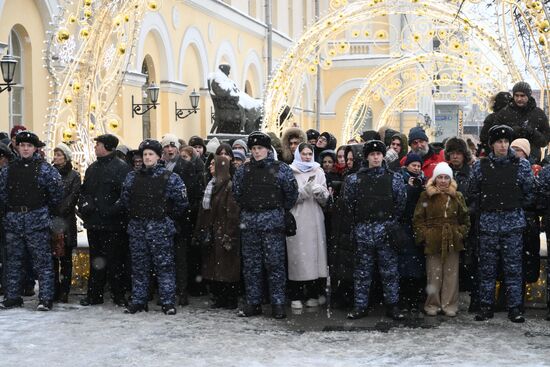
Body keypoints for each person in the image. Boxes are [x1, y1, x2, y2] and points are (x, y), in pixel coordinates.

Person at [470, 125, 534, 323]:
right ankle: (485, 306)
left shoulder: (522, 166)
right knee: (487, 269)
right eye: (499, 142)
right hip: (489, 223)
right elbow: (473, 192)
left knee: (513, 269)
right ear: (492, 144)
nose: (503, 145)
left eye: (506, 142)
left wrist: (514, 208)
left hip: (512, 224)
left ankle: (514, 308)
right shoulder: (480, 167)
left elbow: (529, 193)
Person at [233, 131, 299, 319]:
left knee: (275, 264)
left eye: (260, 148)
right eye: (253, 148)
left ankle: (278, 303)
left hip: (272, 224)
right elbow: (237, 195)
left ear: (267, 149)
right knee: (251, 266)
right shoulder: (243, 171)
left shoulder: (281, 169)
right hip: (250, 224)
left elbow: (291, 194)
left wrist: (275, 210)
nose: (256, 152)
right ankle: (253, 303)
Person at [119, 139, 188, 314]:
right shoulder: (132, 177)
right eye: (145, 155)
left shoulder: (170, 177)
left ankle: (167, 302)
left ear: (159, 156)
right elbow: (126, 200)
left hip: (160, 228)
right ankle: (139, 300)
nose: (147, 158)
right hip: (138, 228)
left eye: (151, 154)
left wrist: (166, 217)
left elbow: (181, 203)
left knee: (165, 267)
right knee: (139, 267)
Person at [343, 140, 406, 320]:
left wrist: (387, 222)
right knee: (362, 273)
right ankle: (360, 307)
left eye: (379, 154)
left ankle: (393, 306)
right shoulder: (354, 180)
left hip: (386, 231)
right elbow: (349, 204)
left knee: (390, 272)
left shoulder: (394, 178)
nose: (376, 157)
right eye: (372, 154)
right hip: (363, 231)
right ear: (367, 157)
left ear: (383, 156)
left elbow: (400, 203)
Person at [0, 131, 63, 311]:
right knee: (13, 261)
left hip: (37, 221)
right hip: (14, 222)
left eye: (29, 146)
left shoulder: (45, 169)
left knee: (42, 262)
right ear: (17, 147)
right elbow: (3, 195)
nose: (25, 149)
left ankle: (45, 298)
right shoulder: (8, 170)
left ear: (35, 148)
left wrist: (42, 212)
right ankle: (13, 296)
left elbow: (56, 195)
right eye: (22, 145)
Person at [78, 134, 131, 307]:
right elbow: (85, 190)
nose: (95, 147)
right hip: (94, 223)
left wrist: (111, 210)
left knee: (116, 262)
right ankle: (94, 294)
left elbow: (125, 196)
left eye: (98, 144)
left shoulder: (122, 168)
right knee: (96, 261)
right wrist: (85, 205)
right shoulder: (92, 168)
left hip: (114, 224)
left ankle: (118, 295)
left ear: (107, 146)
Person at [414, 162, 470, 317]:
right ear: (435, 179)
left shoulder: (457, 196)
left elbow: (465, 218)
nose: (443, 181)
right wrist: (425, 235)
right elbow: (418, 218)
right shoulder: (426, 196)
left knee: (451, 274)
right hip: (433, 238)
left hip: (453, 238)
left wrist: (459, 233)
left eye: (446, 177)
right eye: (440, 177)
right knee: (434, 273)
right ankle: (432, 303)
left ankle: (450, 304)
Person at [161, 133, 202, 306]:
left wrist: (181, 213)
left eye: (172, 146)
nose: (170, 149)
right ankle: (167, 291)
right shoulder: (159, 166)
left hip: (180, 220)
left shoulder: (185, 166)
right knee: (164, 258)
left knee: (180, 258)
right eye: (166, 146)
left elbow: (191, 194)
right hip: (161, 220)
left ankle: (182, 291)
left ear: (177, 148)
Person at [287, 143, 329, 309]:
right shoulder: (291, 171)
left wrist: (320, 193)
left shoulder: (318, 171)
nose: (306, 157)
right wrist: (302, 193)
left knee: (314, 257)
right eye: (303, 153)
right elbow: (288, 198)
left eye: (309, 154)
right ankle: (296, 294)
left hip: (315, 218)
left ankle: (313, 292)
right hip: (298, 218)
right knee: (297, 258)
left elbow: (325, 199)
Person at [196, 155, 241, 309]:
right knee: (217, 267)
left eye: (214, 164)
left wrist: (229, 234)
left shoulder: (228, 186)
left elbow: (233, 213)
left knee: (227, 268)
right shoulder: (212, 185)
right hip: (214, 231)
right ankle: (220, 297)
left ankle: (229, 298)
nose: (210, 167)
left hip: (224, 232)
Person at [51, 143, 81, 303]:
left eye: (59, 155)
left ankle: (65, 290)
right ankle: (54, 288)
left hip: (66, 221)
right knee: (52, 259)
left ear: (66, 157)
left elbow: (73, 197)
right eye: (55, 154)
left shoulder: (74, 176)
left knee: (66, 258)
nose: (56, 157)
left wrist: (58, 210)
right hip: (51, 222)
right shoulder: (49, 172)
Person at [398, 153, 426, 313]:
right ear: (407, 165)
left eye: (418, 165)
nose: (416, 168)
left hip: (418, 228)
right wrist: (408, 188)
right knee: (404, 266)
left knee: (417, 267)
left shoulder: (424, 180)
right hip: (404, 228)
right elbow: (400, 203)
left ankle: (415, 299)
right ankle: (404, 299)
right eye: (413, 165)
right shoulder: (400, 179)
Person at [494, 82, 550, 163]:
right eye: (516, 95)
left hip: (532, 160)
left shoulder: (538, 114)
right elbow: (494, 136)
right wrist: (510, 131)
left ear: (528, 96)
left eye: (522, 95)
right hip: (507, 161)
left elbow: (545, 141)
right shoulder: (504, 113)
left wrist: (532, 132)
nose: (519, 99)